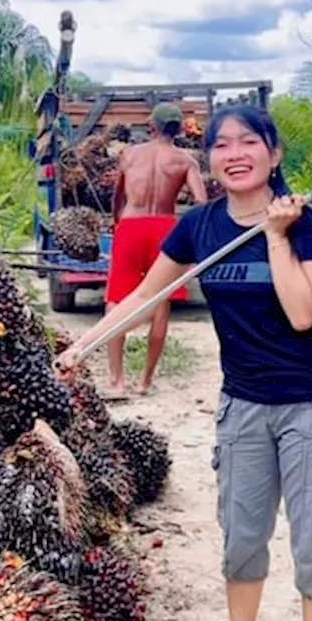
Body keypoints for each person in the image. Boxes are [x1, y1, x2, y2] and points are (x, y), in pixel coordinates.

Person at [56, 104, 312, 621]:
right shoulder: (198, 225)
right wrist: (81, 348)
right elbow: (147, 296)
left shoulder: (307, 223)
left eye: (249, 142)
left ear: (274, 152)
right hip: (242, 408)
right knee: (241, 542)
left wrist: (276, 236)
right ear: (209, 157)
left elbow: (304, 313)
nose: (235, 154)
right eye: (222, 144)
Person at [102, 102, 207, 399]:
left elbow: (118, 196)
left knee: (116, 300)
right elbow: (200, 201)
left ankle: (116, 380)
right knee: (160, 302)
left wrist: (116, 223)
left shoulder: (129, 154)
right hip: (165, 228)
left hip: (131, 225)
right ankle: (145, 382)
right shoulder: (185, 161)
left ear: (152, 126)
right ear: (178, 129)